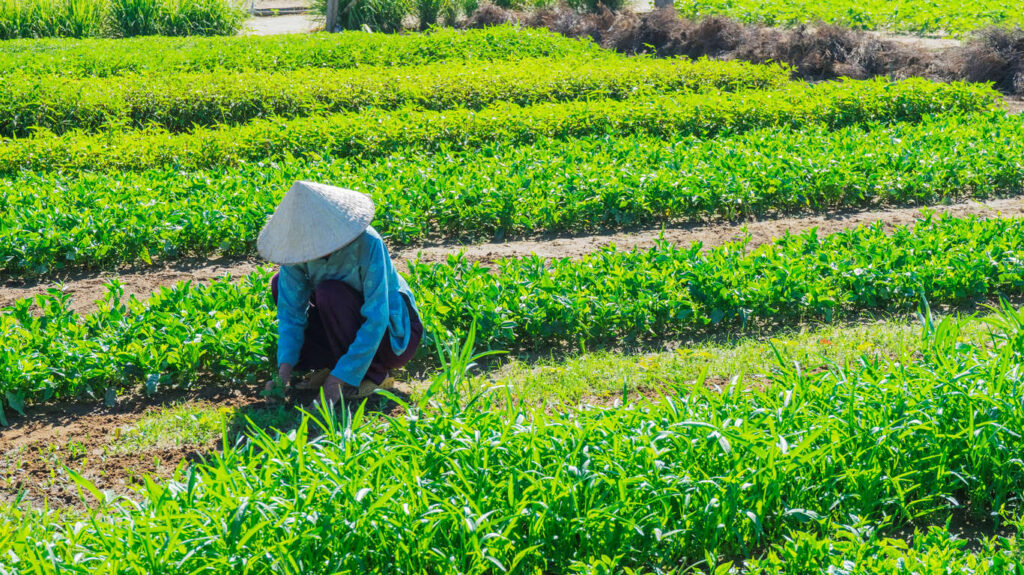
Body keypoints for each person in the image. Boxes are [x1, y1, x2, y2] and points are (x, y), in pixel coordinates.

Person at [258, 181, 422, 408]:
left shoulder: (368, 243)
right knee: (280, 284)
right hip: (341, 322)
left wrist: (339, 380)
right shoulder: (297, 251)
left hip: (390, 338)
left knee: (330, 293)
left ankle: (374, 375)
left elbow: (377, 316)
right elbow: (291, 315)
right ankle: (335, 366)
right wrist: (282, 374)